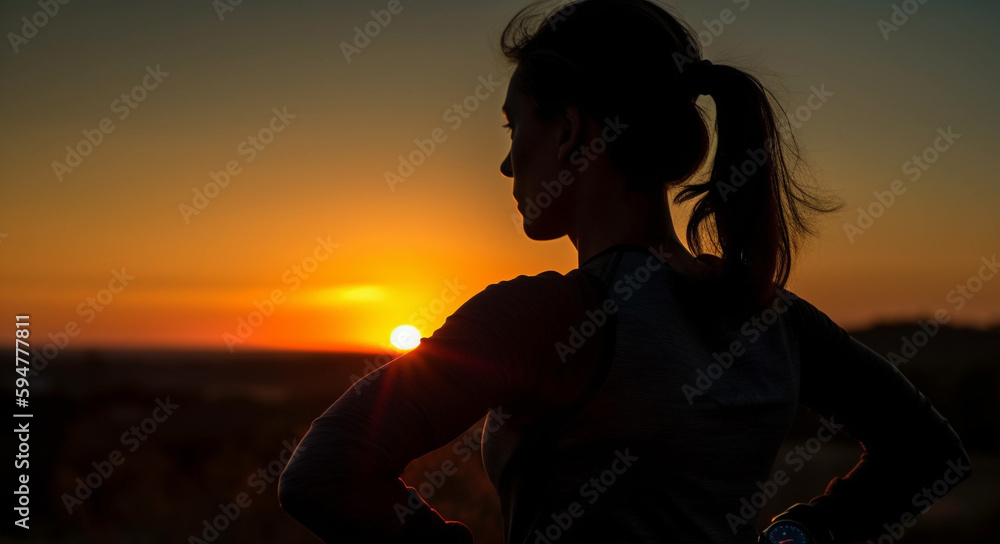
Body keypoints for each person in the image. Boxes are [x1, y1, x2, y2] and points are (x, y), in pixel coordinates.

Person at [277, 1, 972, 543]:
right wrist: (799, 536)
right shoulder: (773, 315)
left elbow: (325, 474)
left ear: (572, 131)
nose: (507, 163)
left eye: (511, 128)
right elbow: (927, 453)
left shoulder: (547, 316)